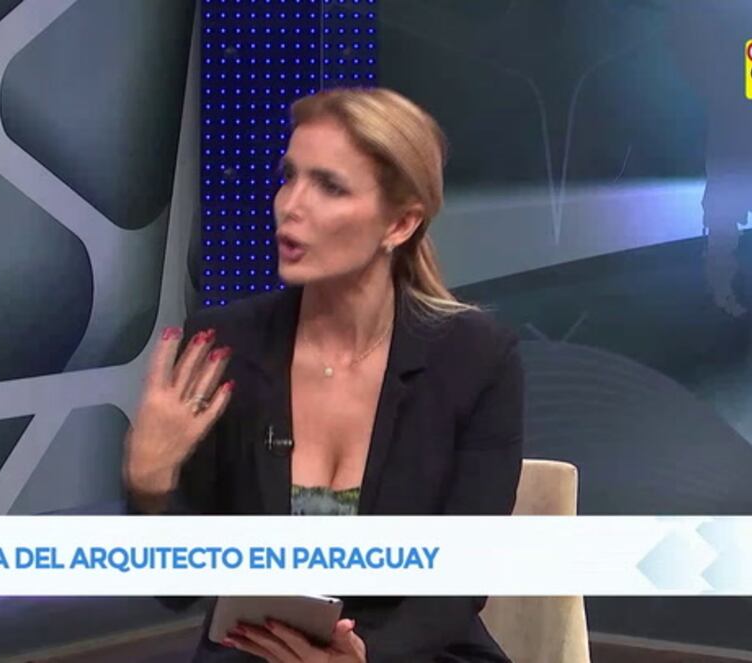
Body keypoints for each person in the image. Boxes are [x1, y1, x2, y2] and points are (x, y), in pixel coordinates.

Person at [124, 87, 524, 662]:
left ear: (400, 223)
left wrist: (367, 657)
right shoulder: (224, 347)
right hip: (255, 651)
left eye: (329, 186)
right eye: (289, 177)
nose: (290, 205)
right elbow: (176, 589)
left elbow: (461, 577)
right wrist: (150, 488)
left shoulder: (476, 357)